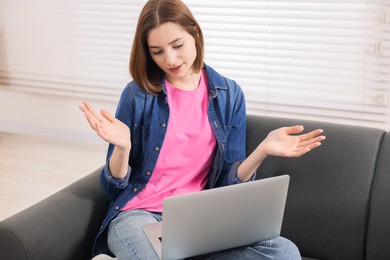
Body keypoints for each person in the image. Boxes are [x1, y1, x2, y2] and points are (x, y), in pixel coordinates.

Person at [80, 0, 325, 259]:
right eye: (157, 51)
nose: (171, 59)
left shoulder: (228, 94)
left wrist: (262, 151)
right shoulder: (137, 95)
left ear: (195, 34)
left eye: (177, 45)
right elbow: (113, 187)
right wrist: (123, 147)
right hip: (139, 215)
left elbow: (225, 185)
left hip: (198, 220)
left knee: (283, 252)